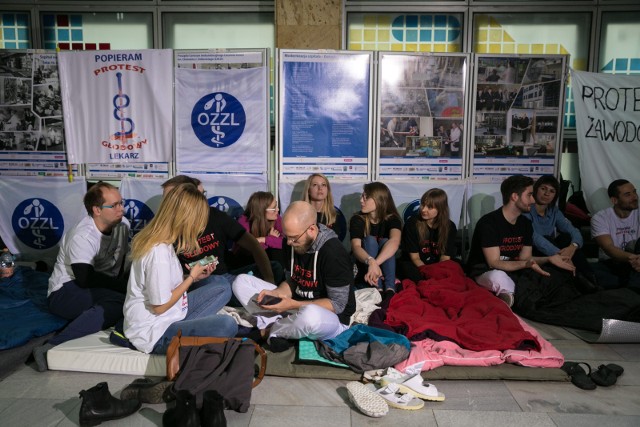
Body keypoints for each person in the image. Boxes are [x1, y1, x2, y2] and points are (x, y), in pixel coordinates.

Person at [124, 183, 238, 354]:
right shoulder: (158, 253)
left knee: (221, 286)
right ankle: (193, 329)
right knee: (227, 325)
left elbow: (163, 287)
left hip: (172, 313)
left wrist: (194, 277)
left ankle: (193, 326)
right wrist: (191, 278)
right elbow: (159, 307)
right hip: (156, 333)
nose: (202, 225)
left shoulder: (164, 243)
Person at [232, 201, 356, 352]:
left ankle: (271, 331)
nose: (289, 242)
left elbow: (337, 305)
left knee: (310, 316)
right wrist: (276, 293)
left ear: (311, 229)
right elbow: (292, 280)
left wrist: (291, 304)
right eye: (287, 237)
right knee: (240, 282)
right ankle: (286, 328)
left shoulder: (333, 253)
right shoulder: (290, 242)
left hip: (332, 319)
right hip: (296, 306)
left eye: (294, 238)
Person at [33, 182, 131, 371]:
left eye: (122, 203)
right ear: (97, 210)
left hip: (98, 286)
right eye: (115, 205)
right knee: (118, 303)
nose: (122, 209)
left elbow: (119, 262)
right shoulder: (82, 235)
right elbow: (84, 278)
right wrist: (123, 288)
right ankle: (51, 347)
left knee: (128, 298)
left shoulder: (122, 225)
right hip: (65, 291)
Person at [466, 175, 575, 307]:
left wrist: (550, 259)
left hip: (514, 269)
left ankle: (511, 297)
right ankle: (508, 298)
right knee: (498, 277)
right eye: (529, 195)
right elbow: (494, 263)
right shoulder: (488, 223)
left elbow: (526, 258)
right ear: (514, 197)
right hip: (486, 271)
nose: (533, 200)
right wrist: (525, 265)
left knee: (553, 278)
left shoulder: (525, 223)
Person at [161, 176, 276, 296]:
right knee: (220, 283)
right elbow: (166, 281)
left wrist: (269, 283)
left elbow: (253, 245)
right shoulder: (165, 230)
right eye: (165, 199)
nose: (166, 204)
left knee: (274, 268)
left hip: (227, 277)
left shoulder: (214, 215)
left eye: (170, 198)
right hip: (198, 283)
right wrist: (192, 277)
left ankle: (265, 295)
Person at [523, 175, 598, 290]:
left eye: (552, 191)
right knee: (548, 238)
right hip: (534, 250)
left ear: (555, 196)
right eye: (543, 189)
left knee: (566, 238)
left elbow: (574, 231)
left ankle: (590, 278)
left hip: (554, 251)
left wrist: (573, 247)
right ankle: (579, 279)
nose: (547, 194)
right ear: (535, 189)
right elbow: (535, 238)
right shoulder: (526, 210)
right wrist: (561, 255)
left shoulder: (554, 211)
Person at [349, 182, 402, 297]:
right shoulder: (357, 219)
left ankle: (389, 289)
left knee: (385, 242)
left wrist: (375, 264)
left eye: (366, 197)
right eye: (362, 196)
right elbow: (356, 247)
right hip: (363, 264)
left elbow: (395, 242)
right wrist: (370, 261)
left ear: (379, 200)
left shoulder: (392, 218)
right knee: (370, 240)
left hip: (381, 267)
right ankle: (376, 287)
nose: (361, 200)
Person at [399, 188, 458, 283]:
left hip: (438, 265)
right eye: (423, 204)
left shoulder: (450, 227)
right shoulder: (412, 224)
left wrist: (437, 273)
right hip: (416, 265)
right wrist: (427, 272)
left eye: (430, 207)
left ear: (441, 209)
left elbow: (445, 257)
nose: (423, 209)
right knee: (409, 271)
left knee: (456, 269)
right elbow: (415, 258)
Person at [590, 179, 640, 289]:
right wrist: (634, 259)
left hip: (637, 263)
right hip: (612, 263)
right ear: (614, 200)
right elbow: (609, 248)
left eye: (634, 192)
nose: (635, 197)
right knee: (588, 271)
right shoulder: (600, 218)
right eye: (628, 195)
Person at [232, 191, 286, 270]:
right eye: (274, 208)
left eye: (277, 206)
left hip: (266, 261)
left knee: (277, 251)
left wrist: (264, 239)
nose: (277, 210)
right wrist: (271, 239)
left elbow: (285, 243)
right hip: (246, 261)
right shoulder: (244, 222)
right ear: (261, 210)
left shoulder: (276, 218)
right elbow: (246, 249)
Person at [302, 173, 343, 239]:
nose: (320, 188)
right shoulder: (300, 215)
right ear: (308, 190)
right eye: (315, 185)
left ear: (327, 190)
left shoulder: (335, 216)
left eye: (323, 185)